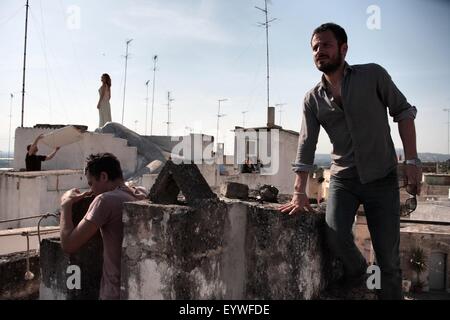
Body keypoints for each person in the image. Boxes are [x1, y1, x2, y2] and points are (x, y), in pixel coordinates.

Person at [279, 23, 422, 300]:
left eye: (326, 45)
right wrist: (299, 192)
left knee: (388, 260)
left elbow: (403, 111)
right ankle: (362, 274)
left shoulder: (373, 75)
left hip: (382, 177)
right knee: (335, 235)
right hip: (343, 179)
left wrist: (413, 159)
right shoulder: (312, 99)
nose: (319, 51)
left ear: (343, 48)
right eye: (315, 48)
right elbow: (306, 145)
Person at [59, 153, 147, 300]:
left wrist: (65, 204)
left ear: (104, 176)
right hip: (137, 288)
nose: (91, 190)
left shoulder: (105, 200)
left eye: (91, 183)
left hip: (114, 292)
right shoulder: (140, 193)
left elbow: (69, 244)